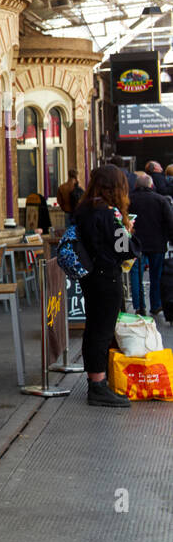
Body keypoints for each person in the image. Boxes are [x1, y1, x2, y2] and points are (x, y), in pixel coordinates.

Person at [74, 164, 136, 407]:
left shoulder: (84, 210)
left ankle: (95, 381)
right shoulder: (111, 214)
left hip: (89, 275)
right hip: (107, 276)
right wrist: (129, 231)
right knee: (103, 330)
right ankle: (99, 387)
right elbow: (124, 249)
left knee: (92, 328)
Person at [128, 172, 173, 316]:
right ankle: (156, 304)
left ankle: (139, 305)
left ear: (136, 185)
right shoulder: (160, 200)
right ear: (151, 185)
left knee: (136, 275)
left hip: (135, 245)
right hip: (157, 244)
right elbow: (170, 222)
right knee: (156, 275)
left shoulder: (129, 200)